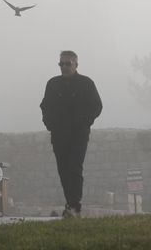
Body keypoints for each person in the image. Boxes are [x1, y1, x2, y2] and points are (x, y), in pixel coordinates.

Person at [40, 50, 103, 218]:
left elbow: (96, 106)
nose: (65, 67)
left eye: (68, 63)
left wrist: (84, 122)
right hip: (59, 135)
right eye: (61, 64)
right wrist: (50, 124)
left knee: (75, 168)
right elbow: (45, 106)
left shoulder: (86, 83)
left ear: (76, 65)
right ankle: (70, 204)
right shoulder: (52, 84)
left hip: (78, 134)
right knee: (63, 170)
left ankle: (75, 206)